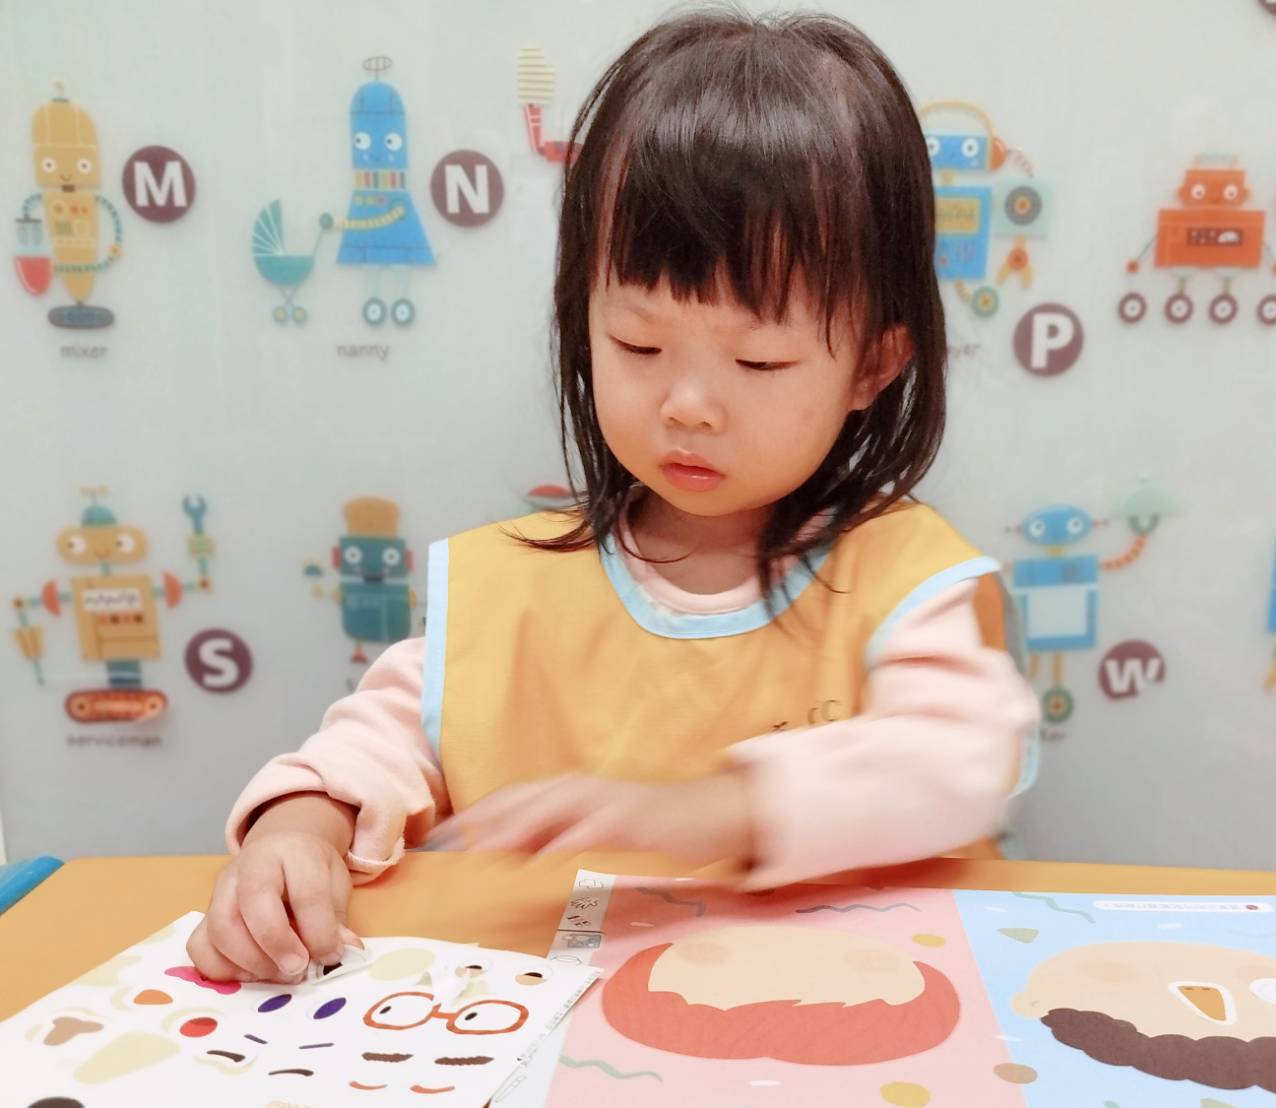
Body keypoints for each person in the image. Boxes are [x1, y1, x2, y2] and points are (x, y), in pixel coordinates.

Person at [188, 6, 1039, 985]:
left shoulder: (906, 581)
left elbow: (960, 760)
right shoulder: (509, 589)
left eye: (759, 361)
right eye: (638, 344)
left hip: (841, 1011)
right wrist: (297, 830)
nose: (688, 406)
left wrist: (717, 811)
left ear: (873, 366)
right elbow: (371, 749)